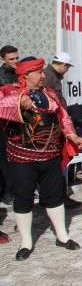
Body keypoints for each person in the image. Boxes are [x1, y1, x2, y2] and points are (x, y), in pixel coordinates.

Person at [0, 57, 82, 260]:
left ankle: (62, 236)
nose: (43, 75)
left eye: (42, 71)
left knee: (55, 196)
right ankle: (26, 243)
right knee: (23, 199)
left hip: (50, 157)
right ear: (25, 75)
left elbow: (63, 118)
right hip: (22, 159)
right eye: (38, 72)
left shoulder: (51, 94)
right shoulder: (10, 92)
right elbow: (3, 103)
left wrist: (72, 135)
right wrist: (19, 102)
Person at [43, 52, 81, 208]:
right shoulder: (48, 77)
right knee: (58, 166)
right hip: (53, 128)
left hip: (56, 126)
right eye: (67, 67)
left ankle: (54, 197)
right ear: (63, 65)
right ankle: (58, 197)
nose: (67, 70)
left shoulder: (51, 76)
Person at [0, 45, 19, 221]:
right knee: (5, 161)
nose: (15, 61)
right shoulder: (1, 76)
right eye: (11, 59)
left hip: (17, 123)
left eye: (16, 58)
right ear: (3, 59)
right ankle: (8, 193)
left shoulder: (19, 73)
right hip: (3, 124)